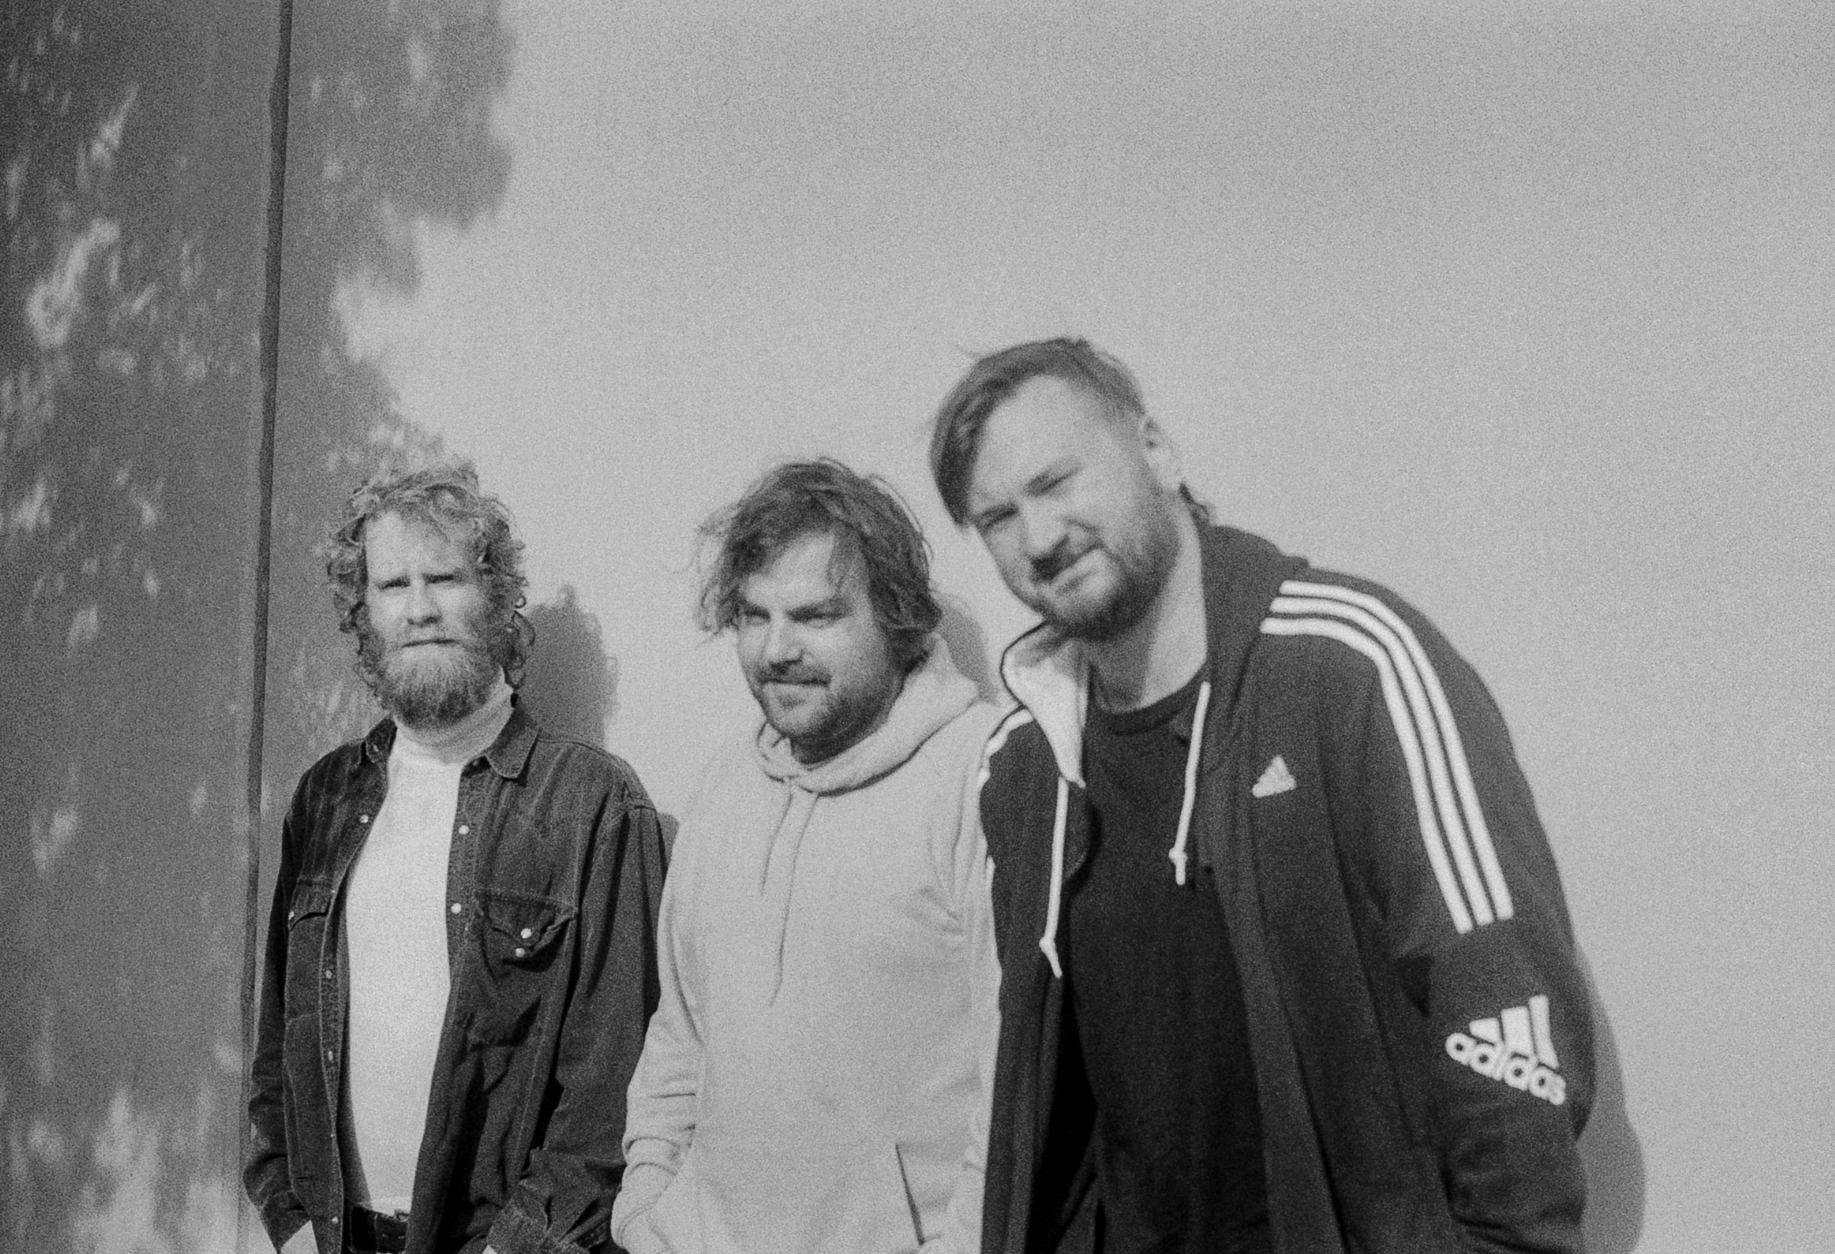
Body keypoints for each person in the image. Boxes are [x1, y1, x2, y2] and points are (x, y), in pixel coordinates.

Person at [929, 339, 1593, 1254]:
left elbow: (1501, 981)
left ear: (1156, 450)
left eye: (1057, 481)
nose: (1039, 538)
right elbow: (1043, 1093)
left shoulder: (1351, 666)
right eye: (997, 517)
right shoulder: (1022, 767)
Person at [246, 463, 666, 1254]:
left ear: (501, 600)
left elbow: (612, 1089)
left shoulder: (593, 805)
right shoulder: (325, 798)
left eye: (445, 578)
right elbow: (280, 1037)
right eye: (393, 584)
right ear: (363, 613)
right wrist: (288, 1211)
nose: (422, 608)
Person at [610, 459, 998, 1254]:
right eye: (754, 617)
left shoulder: (981, 778)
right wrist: (645, 1206)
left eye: (815, 616)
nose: (776, 649)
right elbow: (680, 1032)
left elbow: (1019, 1083)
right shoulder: (726, 782)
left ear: (898, 619)